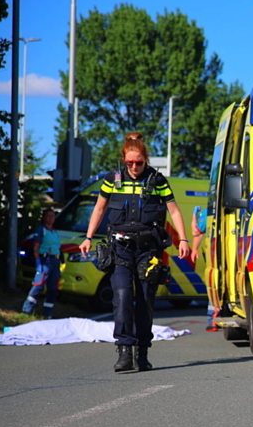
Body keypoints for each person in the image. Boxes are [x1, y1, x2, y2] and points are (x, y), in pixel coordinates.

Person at [80, 132, 190, 372]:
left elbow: (174, 211)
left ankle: (142, 353)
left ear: (145, 160)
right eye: (129, 162)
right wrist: (88, 237)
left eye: (139, 162)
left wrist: (183, 239)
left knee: (145, 301)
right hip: (119, 248)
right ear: (123, 159)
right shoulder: (112, 179)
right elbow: (99, 208)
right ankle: (124, 351)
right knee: (121, 298)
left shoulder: (157, 180)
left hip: (147, 251)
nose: (134, 167)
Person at [21, 209, 62, 318]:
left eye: (53, 216)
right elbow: (36, 247)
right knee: (38, 285)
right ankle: (27, 310)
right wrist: (38, 262)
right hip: (45, 260)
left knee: (53, 288)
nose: (51, 218)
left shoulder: (54, 231)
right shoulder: (41, 230)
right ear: (44, 218)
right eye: (48, 216)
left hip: (55, 261)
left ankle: (47, 313)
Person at [189, 203, 218, 332]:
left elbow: (196, 231)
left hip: (215, 255)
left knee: (214, 285)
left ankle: (213, 320)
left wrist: (194, 215)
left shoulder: (210, 210)